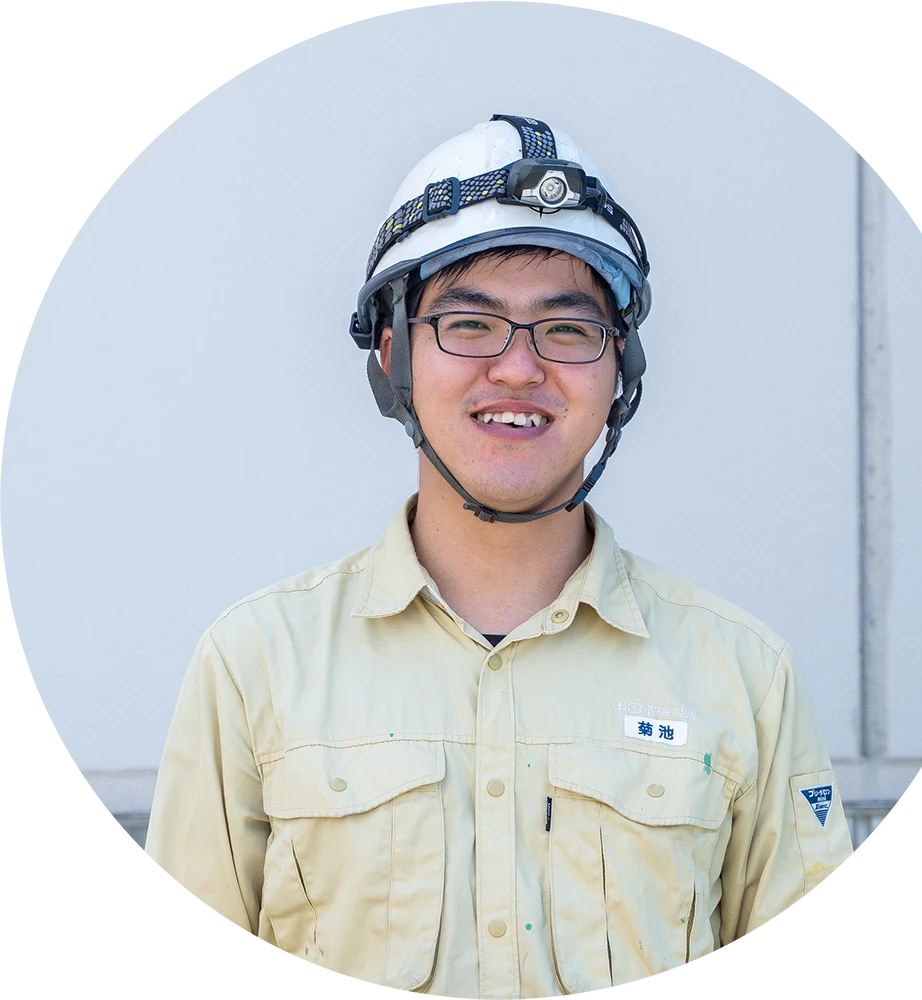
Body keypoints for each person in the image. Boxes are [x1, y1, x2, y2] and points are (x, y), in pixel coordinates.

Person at [144, 114, 855, 995]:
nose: (519, 369)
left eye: (567, 331)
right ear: (393, 358)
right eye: (469, 324)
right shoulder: (254, 665)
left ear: (620, 370)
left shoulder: (744, 676)